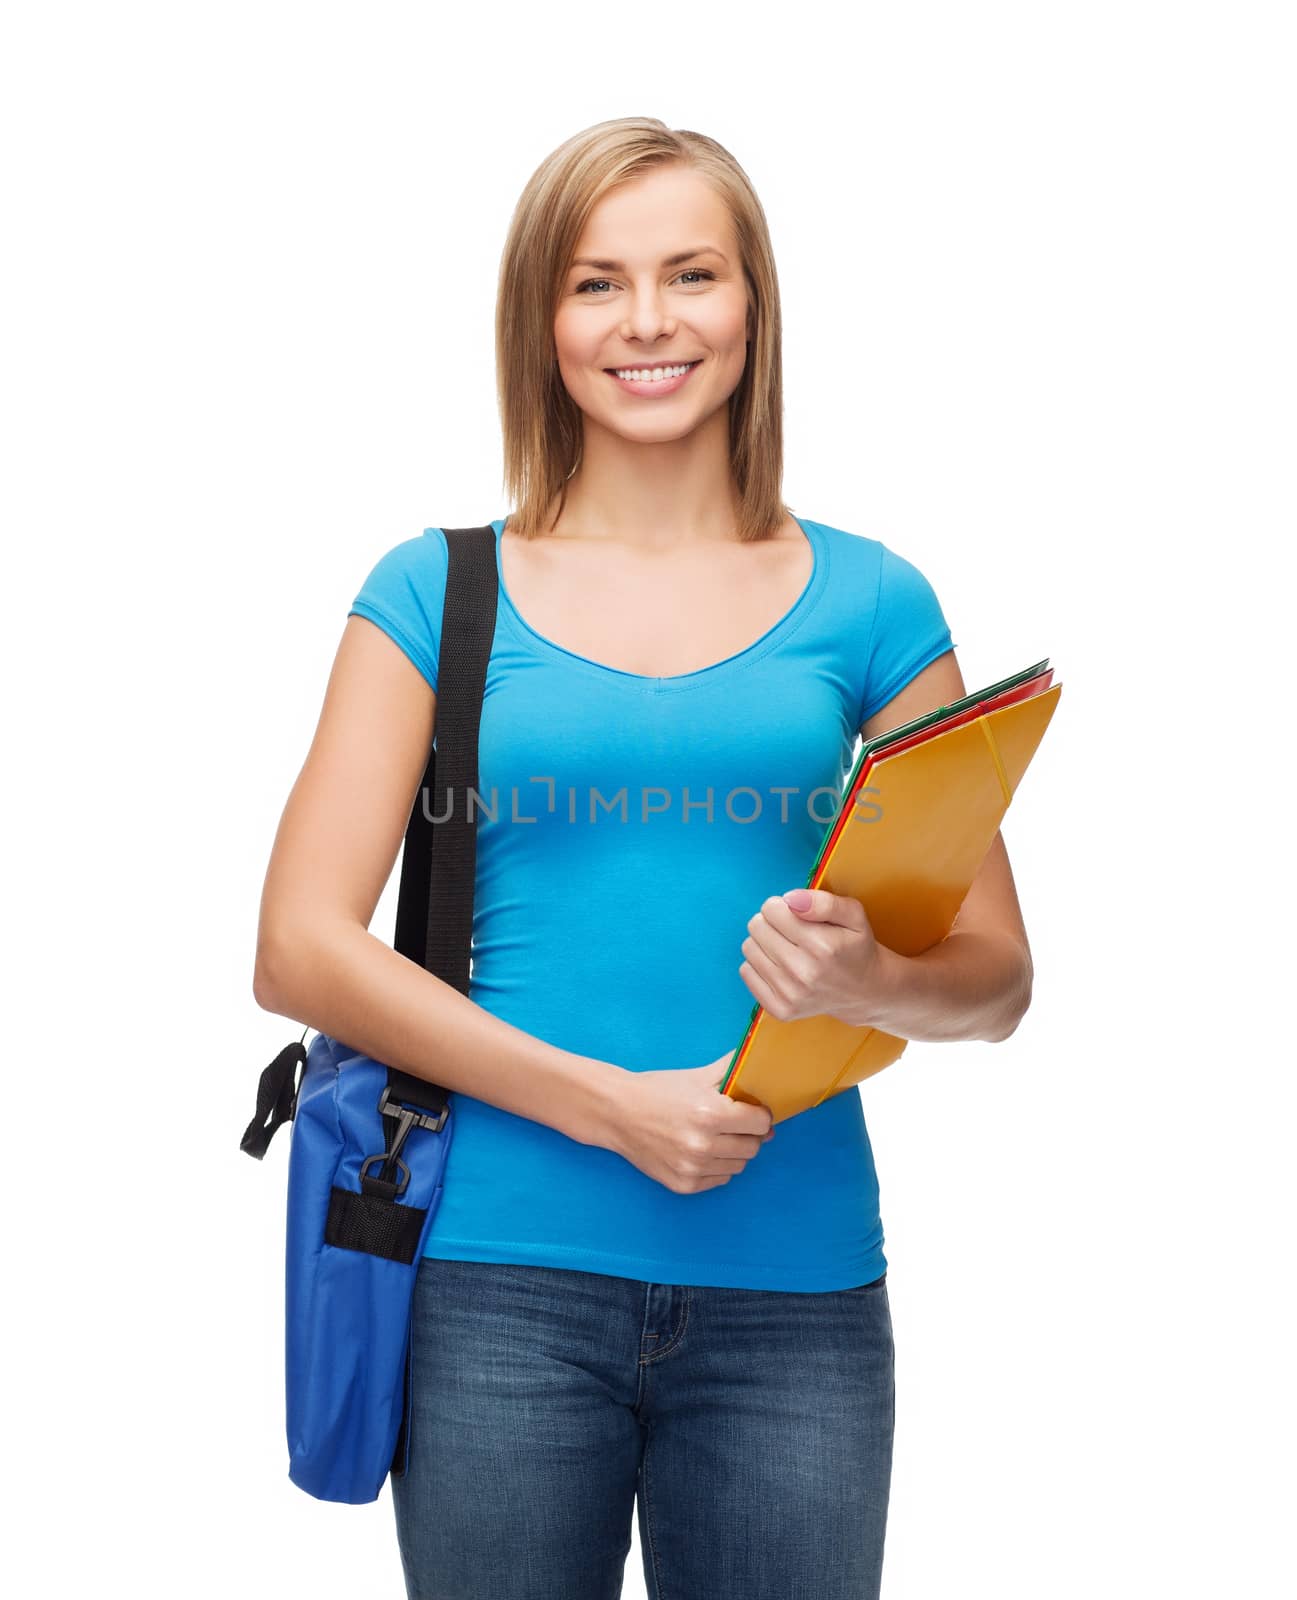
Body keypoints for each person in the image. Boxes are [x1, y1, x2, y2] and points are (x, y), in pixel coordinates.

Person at [254, 116, 1034, 1600]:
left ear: (754, 304)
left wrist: (875, 973)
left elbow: (993, 982)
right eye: (596, 283)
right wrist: (614, 1110)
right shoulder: (433, 591)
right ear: (539, 323)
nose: (651, 323)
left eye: (692, 273)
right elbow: (298, 946)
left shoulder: (876, 605)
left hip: (794, 1299)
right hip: (493, 1287)